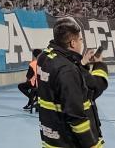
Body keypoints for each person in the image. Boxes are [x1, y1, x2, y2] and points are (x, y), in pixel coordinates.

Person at [37, 17, 108, 148]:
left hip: (52, 139)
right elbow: (76, 116)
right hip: (69, 142)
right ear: (73, 43)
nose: (81, 43)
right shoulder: (68, 70)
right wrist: (92, 145)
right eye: (80, 40)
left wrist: (81, 63)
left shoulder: (44, 56)